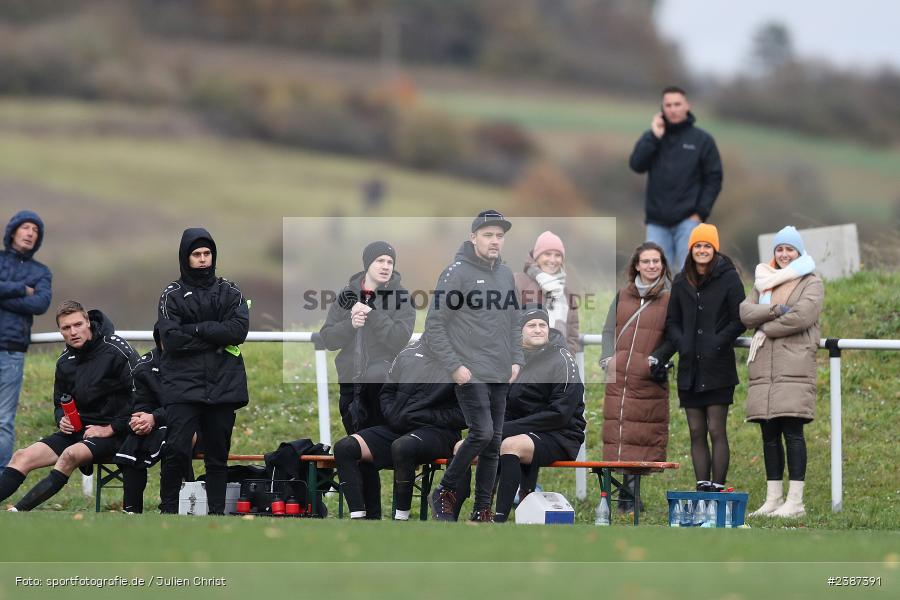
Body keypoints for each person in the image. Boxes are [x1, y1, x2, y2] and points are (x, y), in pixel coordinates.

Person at [424, 209, 524, 522]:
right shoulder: (456, 273)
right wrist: (455, 366)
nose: (495, 241)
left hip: (499, 371)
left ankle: (482, 511)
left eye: (499, 236)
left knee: (493, 442)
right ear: (473, 237)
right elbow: (434, 325)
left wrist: (517, 359)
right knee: (481, 433)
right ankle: (445, 490)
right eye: (488, 235)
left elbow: (515, 320)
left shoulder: (506, 274)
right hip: (469, 371)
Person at [0, 301, 136, 511]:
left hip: (115, 433)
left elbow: (143, 399)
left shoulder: (117, 350)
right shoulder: (65, 361)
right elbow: (59, 404)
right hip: (78, 431)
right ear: (60, 331)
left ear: (88, 322)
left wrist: (110, 428)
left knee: (70, 455)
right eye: (66, 328)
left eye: (77, 325)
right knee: (21, 456)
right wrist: (61, 419)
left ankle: (18, 511)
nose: (73, 332)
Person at [319, 241, 415, 519]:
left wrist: (373, 316)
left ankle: (393, 514)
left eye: (390, 262)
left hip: (385, 390)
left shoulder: (401, 296)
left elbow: (400, 337)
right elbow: (328, 338)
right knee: (357, 452)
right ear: (367, 264)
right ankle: (368, 518)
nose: (386, 267)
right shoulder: (346, 295)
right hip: (351, 386)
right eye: (380, 261)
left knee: (380, 450)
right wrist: (351, 324)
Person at [157, 228, 249, 516]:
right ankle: (169, 510)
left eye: (207, 253)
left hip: (223, 384)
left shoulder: (230, 291)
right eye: (196, 254)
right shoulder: (171, 295)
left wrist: (195, 329)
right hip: (182, 386)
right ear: (186, 257)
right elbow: (170, 339)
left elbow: (238, 330)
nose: (202, 259)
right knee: (175, 450)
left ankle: (218, 514)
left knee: (217, 457)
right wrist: (215, 334)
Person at [740, 226, 823, 518]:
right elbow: (745, 313)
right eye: (780, 249)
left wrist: (764, 327)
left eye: (789, 249)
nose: (784, 254)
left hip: (794, 365)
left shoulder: (812, 282)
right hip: (765, 368)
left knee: (792, 430)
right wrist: (775, 311)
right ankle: (773, 498)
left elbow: (802, 316)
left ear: (798, 252)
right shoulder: (763, 280)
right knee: (769, 432)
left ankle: (795, 502)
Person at [332, 340, 464, 521]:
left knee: (403, 446)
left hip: (439, 433)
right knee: (344, 447)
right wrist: (394, 415)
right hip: (399, 427)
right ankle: (359, 520)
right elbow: (387, 391)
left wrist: (423, 416)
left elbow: (465, 414)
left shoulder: (465, 360)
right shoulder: (409, 352)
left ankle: (401, 519)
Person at [665, 224, 745, 492]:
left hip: (718, 368)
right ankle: (702, 488)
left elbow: (739, 319)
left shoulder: (729, 278)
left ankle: (718, 488)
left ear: (715, 248)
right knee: (696, 431)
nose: (702, 250)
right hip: (690, 369)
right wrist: (683, 343)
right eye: (698, 245)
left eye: (707, 246)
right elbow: (672, 322)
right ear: (691, 249)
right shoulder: (680, 280)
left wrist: (717, 341)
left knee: (716, 431)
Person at [599, 242, 675, 514]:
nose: (652, 266)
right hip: (618, 377)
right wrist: (607, 359)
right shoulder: (622, 296)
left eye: (657, 261)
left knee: (639, 436)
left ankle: (630, 498)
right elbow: (608, 330)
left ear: (663, 265)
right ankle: (617, 498)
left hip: (647, 380)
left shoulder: (670, 299)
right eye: (646, 261)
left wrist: (654, 360)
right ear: (636, 265)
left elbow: (675, 335)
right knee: (617, 434)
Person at [492, 306, 585, 523]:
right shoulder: (513, 361)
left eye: (542, 325)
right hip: (525, 431)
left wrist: (504, 431)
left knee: (510, 445)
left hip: (561, 434)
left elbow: (560, 414)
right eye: (531, 325)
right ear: (519, 331)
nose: (538, 330)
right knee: (465, 445)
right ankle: (472, 510)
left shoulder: (562, 358)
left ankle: (498, 519)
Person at [629, 85, 723, 271]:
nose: (672, 109)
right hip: (657, 222)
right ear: (662, 108)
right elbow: (636, 164)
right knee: (654, 276)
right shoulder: (653, 137)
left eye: (677, 104)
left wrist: (700, 213)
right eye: (668, 105)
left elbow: (714, 178)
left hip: (688, 221)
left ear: (687, 105)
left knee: (688, 275)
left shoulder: (702, 140)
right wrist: (655, 137)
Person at [1, 210, 52, 470]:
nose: (30, 233)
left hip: (12, 351)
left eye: (36, 229)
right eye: (26, 227)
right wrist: (21, 289)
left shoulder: (41, 271)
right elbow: (30, 299)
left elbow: (41, 303)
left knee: (3, 420)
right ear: (13, 231)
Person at [513, 231, 580, 354]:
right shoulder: (518, 282)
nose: (552, 260)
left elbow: (572, 336)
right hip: (526, 363)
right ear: (537, 257)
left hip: (558, 364)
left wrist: (568, 362)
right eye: (547, 254)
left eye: (558, 255)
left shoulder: (567, 294)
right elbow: (511, 325)